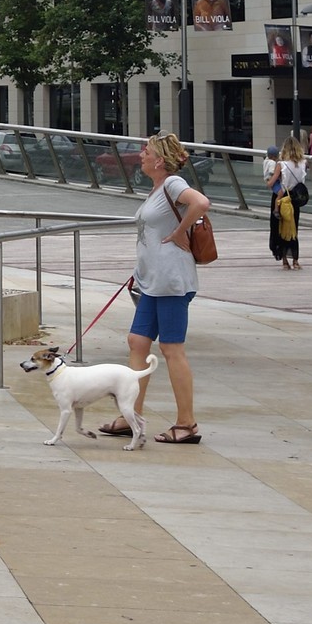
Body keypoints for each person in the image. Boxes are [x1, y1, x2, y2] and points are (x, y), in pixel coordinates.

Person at [103, 131, 209, 446]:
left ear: (160, 160)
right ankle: (129, 417)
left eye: (146, 151)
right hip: (152, 281)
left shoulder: (173, 184)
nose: (141, 155)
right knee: (137, 342)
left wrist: (180, 232)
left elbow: (201, 203)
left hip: (171, 282)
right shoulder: (157, 189)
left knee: (171, 348)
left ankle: (186, 424)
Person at [270, 136, 308, 269]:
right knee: (293, 229)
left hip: (283, 198)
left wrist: (269, 181)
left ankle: (284, 260)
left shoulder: (281, 165)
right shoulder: (303, 163)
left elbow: (272, 182)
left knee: (281, 229)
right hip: (296, 198)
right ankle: (295, 260)